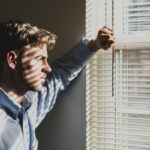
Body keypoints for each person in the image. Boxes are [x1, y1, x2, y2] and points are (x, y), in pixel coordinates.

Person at [0, 20, 115, 150]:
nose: (47, 68)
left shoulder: (28, 103)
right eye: (40, 59)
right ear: (13, 60)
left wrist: (94, 45)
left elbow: (59, 74)